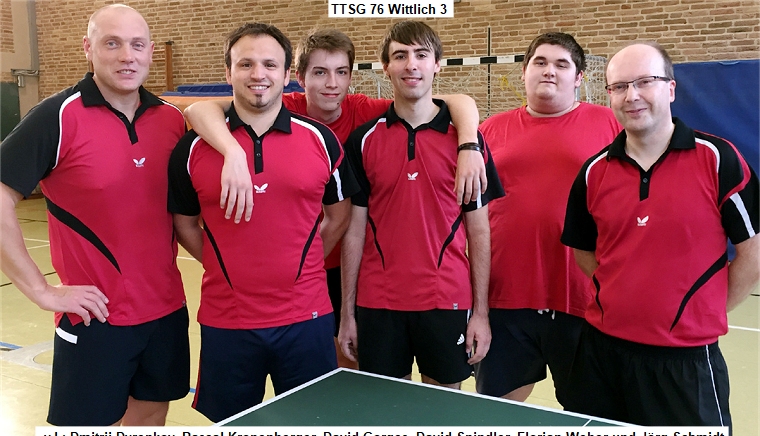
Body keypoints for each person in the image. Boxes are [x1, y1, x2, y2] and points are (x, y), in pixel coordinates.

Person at [183, 28, 487, 369]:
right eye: (319, 72)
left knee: (348, 363)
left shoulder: (365, 112)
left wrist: (469, 144)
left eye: (341, 72)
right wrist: (233, 151)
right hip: (295, 275)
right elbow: (199, 109)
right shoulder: (280, 107)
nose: (331, 84)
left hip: (348, 265)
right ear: (298, 78)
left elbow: (453, 101)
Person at [0, 4, 189, 426]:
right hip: (95, 316)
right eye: (112, 43)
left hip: (165, 310)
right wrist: (41, 290)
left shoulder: (172, 120)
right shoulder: (57, 116)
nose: (127, 56)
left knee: (151, 415)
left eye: (137, 45)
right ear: (88, 48)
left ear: (151, 52)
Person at [561, 41, 759, 431]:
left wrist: (706, 311)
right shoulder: (593, 171)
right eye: (619, 86)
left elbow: (752, 251)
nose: (631, 96)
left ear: (670, 88)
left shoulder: (719, 159)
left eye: (645, 82)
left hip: (685, 362)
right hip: (601, 354)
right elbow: (584, 251)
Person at [168, 22, 359, 423]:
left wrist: (304, 262)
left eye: (270, 64)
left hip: (306, 319)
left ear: (287, 74)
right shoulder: (192, 148)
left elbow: (339, 215)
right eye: (246, 64)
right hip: (227, 321)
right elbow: (184, 225)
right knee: (234, 428)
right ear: (228, 73)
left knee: (313, 426)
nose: (259, 74)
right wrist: (224, 264)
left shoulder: (321, 140)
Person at [338, 21, 504, 389]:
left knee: (443, 409)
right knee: (385, 408)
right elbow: (354, 231)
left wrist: (481, 313)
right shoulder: (363, 140)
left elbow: (479, 231)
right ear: (386, 67)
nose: (411, 64)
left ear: (437, 64)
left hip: (446, 300)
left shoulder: (467, 144)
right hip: (379, 302)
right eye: (400, 56)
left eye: (421, 55)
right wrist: (347, 313)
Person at [474, 33, 622, 405]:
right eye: (540, 62)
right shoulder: (490, 130)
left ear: (579, 77)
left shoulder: (610, 125)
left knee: (588, 414)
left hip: (582, 297)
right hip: (505, 297)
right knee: (497, 413)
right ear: (524, 72)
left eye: (561, 64)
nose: (549, 71)